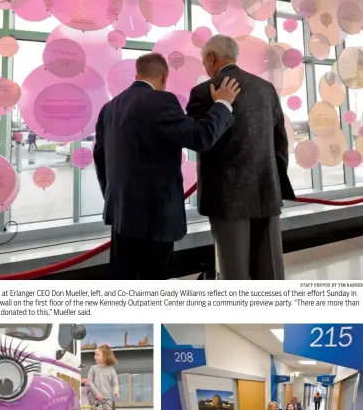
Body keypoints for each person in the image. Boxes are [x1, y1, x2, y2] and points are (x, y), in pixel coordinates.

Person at [93, 52, 240, 280]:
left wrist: (114, 197)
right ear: (164, 76)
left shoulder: (109, 108)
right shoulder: (162, 101)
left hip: (121, 213)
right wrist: (223, 103)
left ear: (137, 74)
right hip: (155, 218)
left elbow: (100, 157)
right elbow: (201, 137)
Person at [186, 34, 295, 280]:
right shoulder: (266, 89)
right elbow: (280, 140)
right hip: (267, 188)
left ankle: (238, 317)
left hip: (226, 194)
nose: (205, 67)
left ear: (211, 58)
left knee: (233, 267)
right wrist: (274, 178)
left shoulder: (204, 91)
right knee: (270, 267)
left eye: (204, 62)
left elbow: (198, 138)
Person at [87, 344, 120, 410]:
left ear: (105, 356)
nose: (95, 356)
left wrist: (116, 390)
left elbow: (115, 383)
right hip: (96, 398)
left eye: (97, 354)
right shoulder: (93, 369)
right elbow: (89, 382)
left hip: (107, 398)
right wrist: (97, 393)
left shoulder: (111, 370)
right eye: (95, 354)